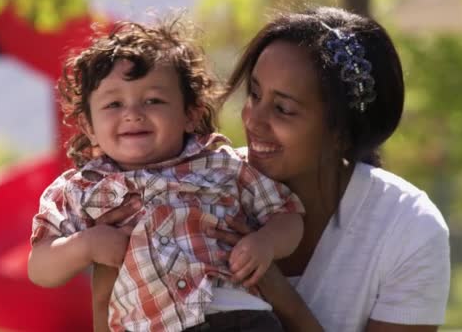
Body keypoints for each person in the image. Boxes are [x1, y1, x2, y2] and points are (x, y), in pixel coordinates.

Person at [98, 6, 451, 331]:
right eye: (254, 95)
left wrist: (278, 294)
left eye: (283, 109)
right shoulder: (191, 185)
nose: (253, 120)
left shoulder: (408, 228)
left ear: (342, 133)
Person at [27, 17, 304, 332]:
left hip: (239, 317)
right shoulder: (81, 188)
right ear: (89, 127)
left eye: (153, 100)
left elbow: (288, 213)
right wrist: (86, 244)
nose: (133, 113)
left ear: (190, 115)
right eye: (114, 104)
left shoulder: (221, 164)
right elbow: (40, 267)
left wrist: (266, 242)